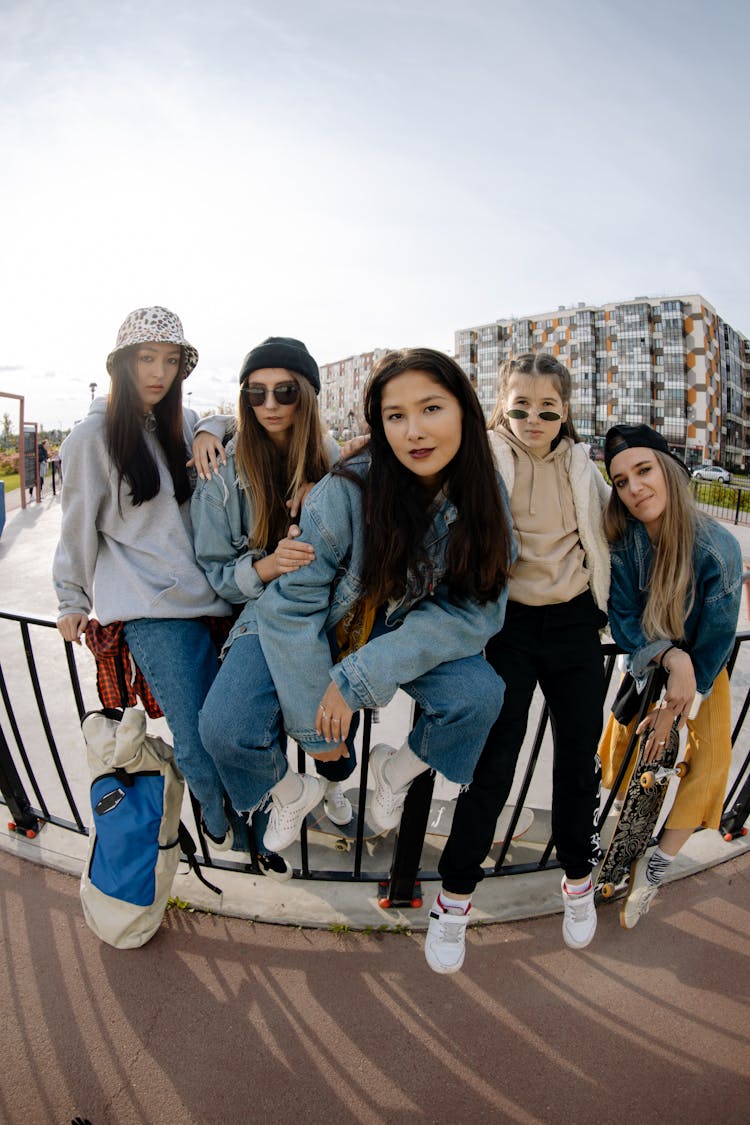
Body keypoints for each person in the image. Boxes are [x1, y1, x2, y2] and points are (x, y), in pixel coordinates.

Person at [198, 347, 515, 858]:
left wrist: (355, 679)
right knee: (226, 730)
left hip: (390, 626)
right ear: (380, 424)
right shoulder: (345, 489)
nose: (414, 430)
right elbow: (290, 605)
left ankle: (393, 772)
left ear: (465, 411)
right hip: (304, 616)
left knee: (477, 698)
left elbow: (479, 610)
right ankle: (298, 791)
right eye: (396, 416)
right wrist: (316, 730)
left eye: (431, 408)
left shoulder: (483, 494)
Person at [52, 307, 288, 879]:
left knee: (240, 725)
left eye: (170, 361)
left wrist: (209, 426)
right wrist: (71, 599)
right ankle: (218, 815)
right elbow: (76, 522)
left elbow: (236, 424)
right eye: (146, 359)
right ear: (121, 364)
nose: (158, 372)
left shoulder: (179, 425)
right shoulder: (92, 437)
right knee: (196, 735)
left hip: (218, 598)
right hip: (155, 610)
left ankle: (254, 819)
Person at [429, 352, 611, 973]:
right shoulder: (479, 457)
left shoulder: (584, 467)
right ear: (500, 406)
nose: (534, 419)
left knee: (578, 763)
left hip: (577, 625)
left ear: (566, 412)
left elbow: (636, 517)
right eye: (520, 407)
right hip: (508, 627)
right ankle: (454, 900)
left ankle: (578, 881)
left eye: (549, 409)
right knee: (494, 766)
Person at [191, 335, 353, 827]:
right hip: (263, 614)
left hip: (333, 608)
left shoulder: (328, 453)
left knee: (331, 729)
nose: (269, 405)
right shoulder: (220, 471)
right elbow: (218, 575)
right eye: (255, 393)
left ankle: (331, 787)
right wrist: (270, 565)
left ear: (306, 393)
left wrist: (328, 487)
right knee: (225, 728)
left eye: (284, 391)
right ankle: (292, 792)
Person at [599, 423, 742, 929]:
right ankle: (618, 840)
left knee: (708, 764)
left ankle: (656, 867)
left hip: (705, 666)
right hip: (650, 661)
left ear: (670, 471)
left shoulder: (717, 548)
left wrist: (680, 704)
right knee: (623, 746)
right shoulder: (623, 541)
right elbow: (623, 620)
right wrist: (665, 659)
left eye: (643, 471)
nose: (634, 488)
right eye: (620, 481)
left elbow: (716, 637)